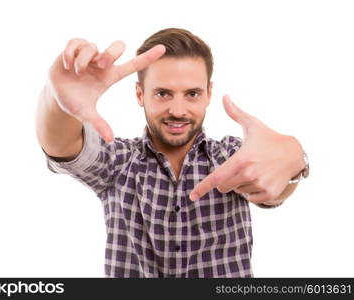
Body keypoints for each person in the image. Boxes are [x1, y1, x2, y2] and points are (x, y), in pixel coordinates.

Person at [35, 28, 309, 277]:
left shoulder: (232, 157)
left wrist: (294, 157)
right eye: (163, 94)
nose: (178, 110)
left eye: (191, 94)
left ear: (208, 93)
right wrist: (57, 101)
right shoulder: (117, 162)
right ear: (140, 94)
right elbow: (61, 147)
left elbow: (274, 186)